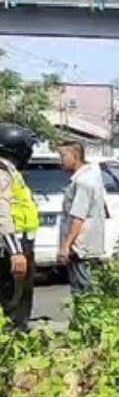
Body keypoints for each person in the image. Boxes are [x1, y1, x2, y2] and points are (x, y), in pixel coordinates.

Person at [0, 124, 40, 331]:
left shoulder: (10, 171)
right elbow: (2, 213)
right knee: (13, 303)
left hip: (19, 243)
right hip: (11, 246)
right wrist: (15, 251)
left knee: (20, 301)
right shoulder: (2, 172)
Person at [56, 140, 106, 294]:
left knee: (82, 292)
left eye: (63, 155)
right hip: (84, 246)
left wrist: (66, 246)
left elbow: (78, 217)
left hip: (80, 247)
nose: (61, 160)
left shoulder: (84, 182)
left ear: (75, 156)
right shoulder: (88, 176)